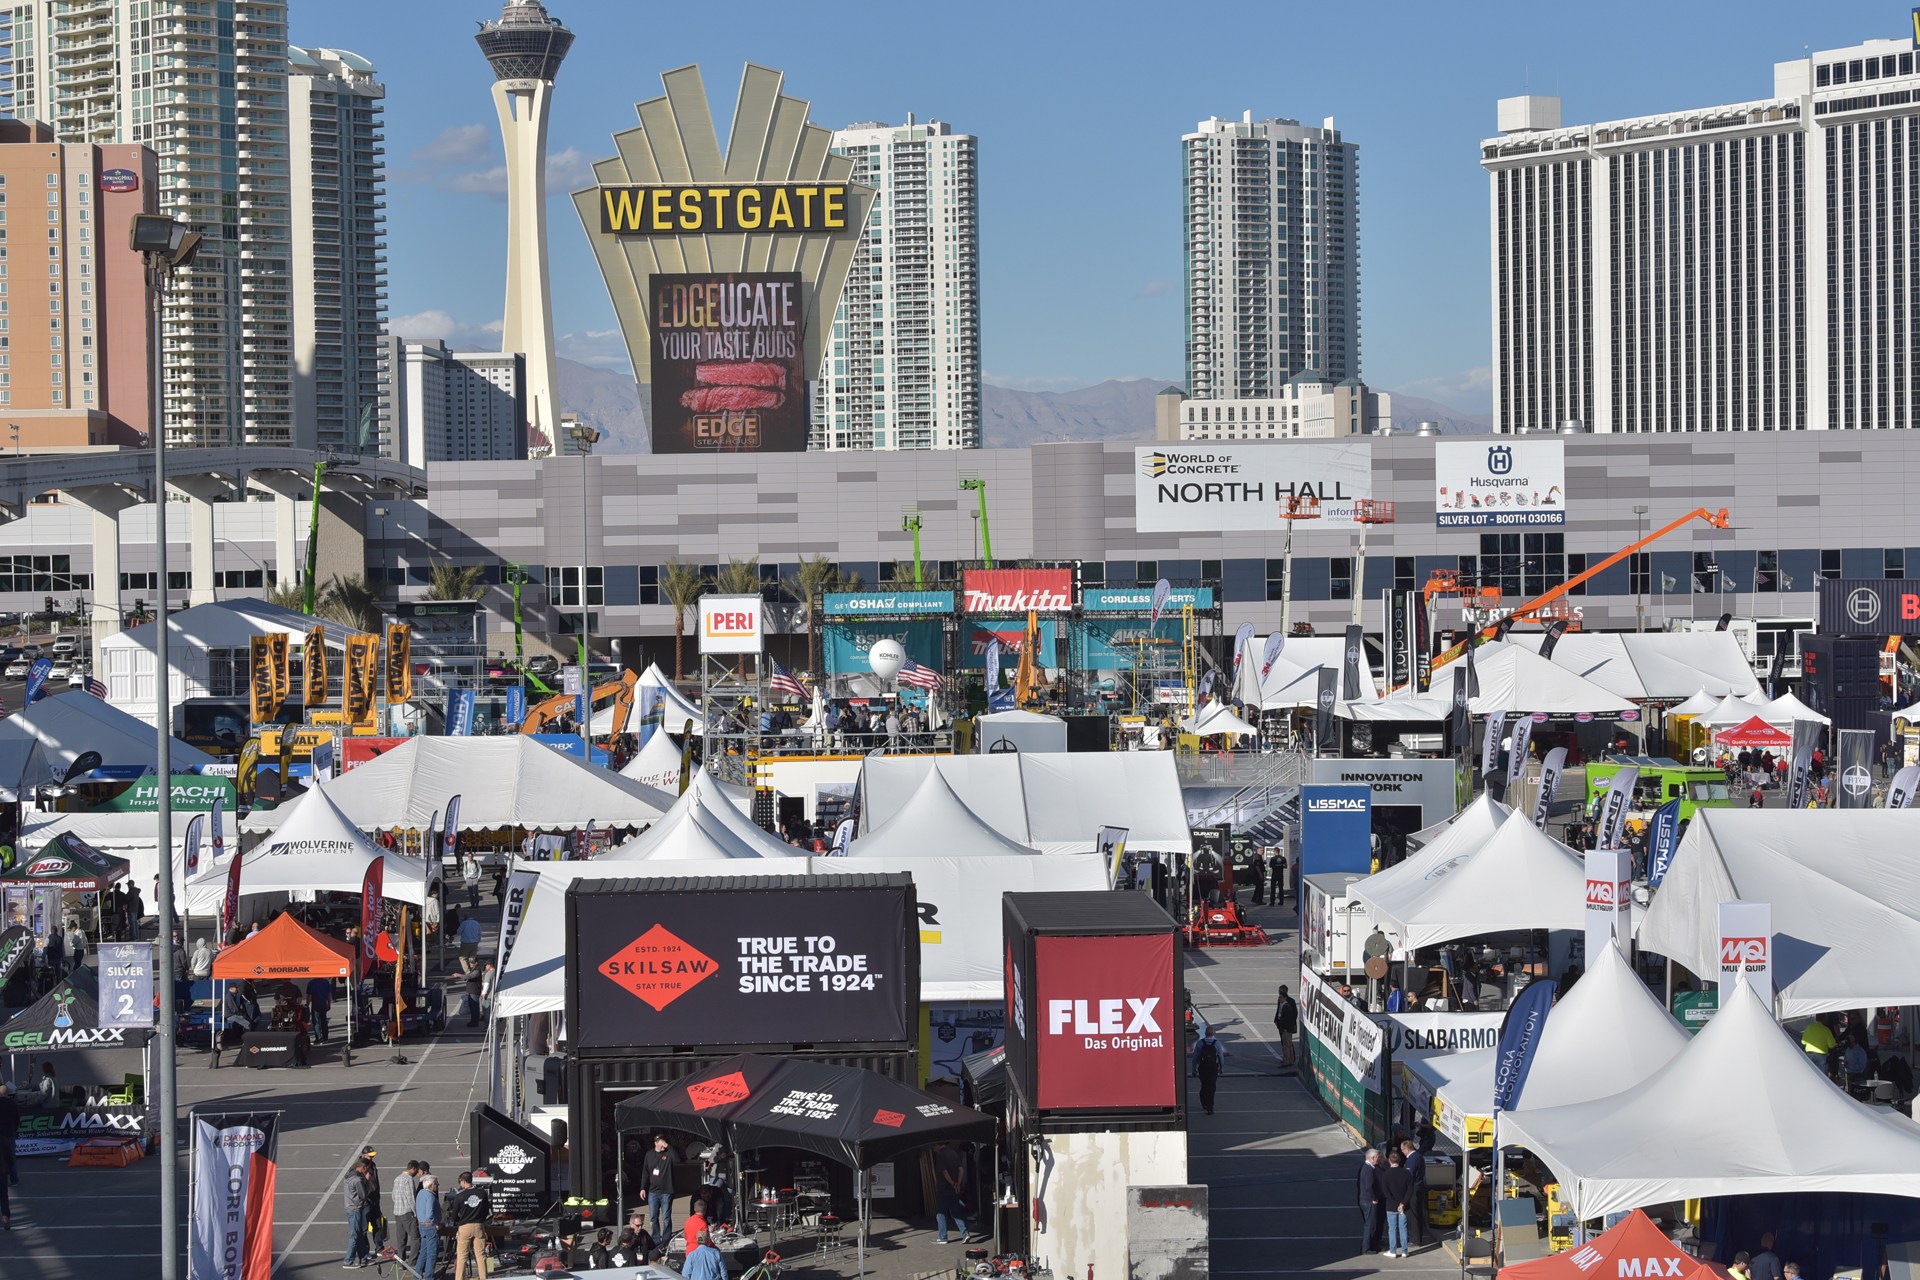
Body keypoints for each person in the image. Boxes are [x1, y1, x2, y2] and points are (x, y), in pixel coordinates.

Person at [933, 1140, 979, 1244]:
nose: (933, 1148)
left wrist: (952, 1183)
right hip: (953, 1189)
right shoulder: (953, 1153)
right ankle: (965, 1233)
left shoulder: (941, 1155)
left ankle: (943, 1237)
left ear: (938, 1144)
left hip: (944, 1187)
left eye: (934, 1145)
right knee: (956, 1212)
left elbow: (944, 1172)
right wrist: (958, 1183)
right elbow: (961, 1169)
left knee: (941, 1213)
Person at [448, 1172, 491, 1280]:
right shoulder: (482, 1194)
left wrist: (459, 1221)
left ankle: (459, 1278)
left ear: (463, 1181)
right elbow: (487, 1211)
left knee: (462, 1256)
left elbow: (453, 1216)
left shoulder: (459, 1196)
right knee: (481, 1255)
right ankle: (483, 1277)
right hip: (479, 1226)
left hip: (464, 1226)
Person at [1380, 1147, 1415, 1258]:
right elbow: (1410, 1190)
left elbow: (1386, 1191)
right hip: (1404, 1206)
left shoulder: (1386, 1174)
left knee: (1392, 1229)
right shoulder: (1406, 1173)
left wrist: (1395, 1203)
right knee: (1403, 1228)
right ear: (1400, 1161)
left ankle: (1393, 1250)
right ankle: (1405, 1251)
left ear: (1390, 1161)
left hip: (1391, 1206)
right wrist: (1403, 1203)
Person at [641, 1135, 674, 1243]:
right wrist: (642, 1188)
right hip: (653, 1191)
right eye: (660, 1142)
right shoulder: (649, 1154)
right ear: (655, 1143)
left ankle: (666, 1239)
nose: (662, 1145)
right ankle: (655, 1239)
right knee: (653, 1217)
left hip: (666, 1191)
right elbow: (645, 1172)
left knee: (666, 1218)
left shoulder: (668, 1153)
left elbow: (677, 1159)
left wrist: (667, 1146)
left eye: (663, 1142)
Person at [343, 1159, 373, 1268]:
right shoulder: (357, 1180)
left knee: (359, 1234)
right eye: (367, 1169)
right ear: (362, 1168)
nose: (367, 1171)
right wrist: (367, 1180)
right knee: (354, 1235)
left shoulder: (349, 1175)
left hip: (350, 1207)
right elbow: (364, 1194)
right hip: (355, 1209)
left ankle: (363, 1258)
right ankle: (348, 1261)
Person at [390, 1160, 420, 1270]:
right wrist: (416, 1212)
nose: (417, 1173)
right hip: (407, 1212)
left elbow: (393, 1195)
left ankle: (400, 1263)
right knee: (415, 1238)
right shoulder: (408, 1180)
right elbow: (411, 1197)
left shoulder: (397, 1178)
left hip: (397, 1212)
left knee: (401, 1239)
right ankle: (413, 1261)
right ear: (413, 1168)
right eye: (416, 1170)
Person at [1357, 1148, 1385, 1255]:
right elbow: (1369, 1187)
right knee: (1370, 1224)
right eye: (1378, 1157)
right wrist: (1374, 1198)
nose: (1379, 1159)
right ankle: (1366, 1248)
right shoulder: (1368, 1170)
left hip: (1365, 1200)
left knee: (1371, 1224)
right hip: (1368, 1201)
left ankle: (1371, 1244)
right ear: (1372, 1158)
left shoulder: (1366, 1167)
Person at [1399, 1139, 1427, 1246]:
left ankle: (1415, 1239)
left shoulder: (1412, 1159)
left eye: (1403, 1150)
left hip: (1414, 1189)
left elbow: (1409, 1176)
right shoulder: (1419, 1157)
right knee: (1418, 1213)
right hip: (1419, 1187)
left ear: (1407, 1148)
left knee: (1414, 1215)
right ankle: (1417, 1237)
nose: (1402, 1152)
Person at [1191, 1027, 1224, 1116]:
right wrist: (1221, 1068)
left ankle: (1204, 1102)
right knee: (1212, 1087)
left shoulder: (1200, 1043)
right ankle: (1210, 1107)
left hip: (1203, 1067)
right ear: (1213, 1033)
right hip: (1213, 1067)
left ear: (1205, 1033)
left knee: (1204, 1085)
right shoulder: (1217, 1043)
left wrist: (1194, 1069)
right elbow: (1220, 1056)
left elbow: (1195, 1057)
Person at [415, 1175, 442, 1280]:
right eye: (437, 1184)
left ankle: (417, 1275)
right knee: (432, 1254)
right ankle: (429, 1277)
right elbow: (430, 1213)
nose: (438, 1186)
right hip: (430, 1227)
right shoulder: (430, 1196)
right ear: (432, 1185)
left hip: (422, 1225)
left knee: (423, 1252)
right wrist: (437, 1223)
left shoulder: (421, 1193)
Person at [1274, 985, 1298, 1068]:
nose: (1279, 997)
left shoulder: (1290, 1002)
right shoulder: (1280, 1000)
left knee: (1287, 1043)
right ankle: (1287, 1058)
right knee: (1284, 1042)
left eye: (1281, 992)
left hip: (1287, 1026)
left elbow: (1294, 1014)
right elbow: (1278, 1010)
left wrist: (1290, 1024)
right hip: (1281, 1024)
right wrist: (1276, 1019)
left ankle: (1289, 1059)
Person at [0, 1083, 17, 1190]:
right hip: (10, 1134)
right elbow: (17, 1118)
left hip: (1, 1134)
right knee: (11, 1157)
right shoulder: (12, 1103)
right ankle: (14, 1178)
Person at [308, 976, 335, 1044]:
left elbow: (309, 995)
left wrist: (307, 1004)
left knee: (316, 1021)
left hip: (315, 1004)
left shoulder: (311, 983)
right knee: (324, 1021)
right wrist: (329, 1004)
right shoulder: (326, 982)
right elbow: (329, 994)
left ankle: (318, 1038)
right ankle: (325, 1038)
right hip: (323, 1003)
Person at [463, 964, 484, 1029]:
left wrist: (460, 976)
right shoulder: (473, 970)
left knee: (474, 1007)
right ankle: (473, 1021)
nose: (470, 964)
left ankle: (475, 1022)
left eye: (472, 963)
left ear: (476, 963)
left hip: (474, 991)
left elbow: (470, 976)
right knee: (472, 1007)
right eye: (470, 963)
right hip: (471, 991)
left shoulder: (477, 971)